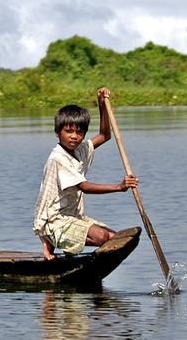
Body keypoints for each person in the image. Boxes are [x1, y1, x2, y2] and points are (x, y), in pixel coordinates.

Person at [33, 88, 138, 260]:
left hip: (73, 216)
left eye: (79, 132)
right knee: (101, 237)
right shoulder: (59, 158)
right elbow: (85, 187)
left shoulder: (79, 150)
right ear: (57, 132)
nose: (74, 137)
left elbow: (105, 135)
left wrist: (102, 105)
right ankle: (51, 238)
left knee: (116, 238)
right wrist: (119, 187)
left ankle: (71, 247)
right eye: (69, 131)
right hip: (55, 221)